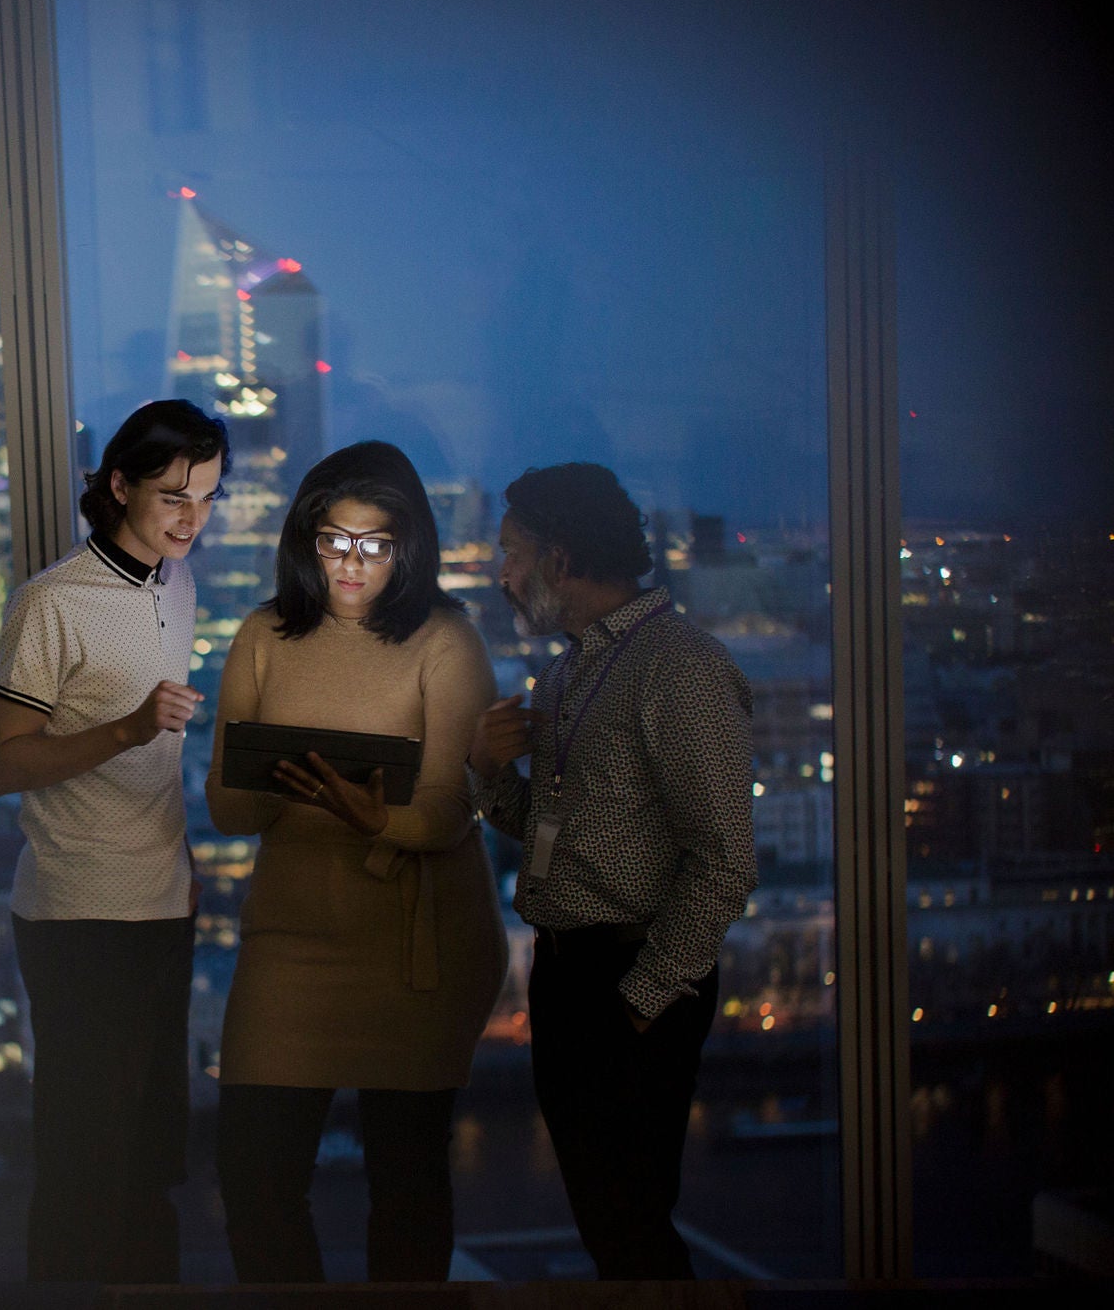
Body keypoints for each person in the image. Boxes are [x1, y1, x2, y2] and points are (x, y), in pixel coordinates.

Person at [204, 440, 505, 1283]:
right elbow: (229, 809)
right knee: (256, 1179)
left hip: (412, 953)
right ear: (304, 538)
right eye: (334, 539)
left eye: (376, 544)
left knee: (406, 1184)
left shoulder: (447, 640)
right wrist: (287, 780)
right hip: (291, 942)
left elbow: (448, 809)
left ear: (410, 548)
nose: (351, 562)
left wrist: (373, 813)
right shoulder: (263, 634)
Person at [469, 462, 756, 1280]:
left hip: (632, 978)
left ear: (560, 560)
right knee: (608, 1222)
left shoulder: (681, 667)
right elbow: (559, 834)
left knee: (630, 1225)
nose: (502, 573)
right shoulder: (566, 674)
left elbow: (726, 859)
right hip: (567, 977)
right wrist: (487, 770)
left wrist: (642, 998)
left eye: (512, 553)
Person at [0, 398, 230, 1283]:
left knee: (157, 1158)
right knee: (87, 1165)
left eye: (205, 497)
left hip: (163, 902)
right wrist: (121, 730)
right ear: (119, 484)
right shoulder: (51, 603)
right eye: (172, 496)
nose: (190, 517)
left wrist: (187, 858)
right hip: (79, 912)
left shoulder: (180, 584)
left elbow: (164, 760)